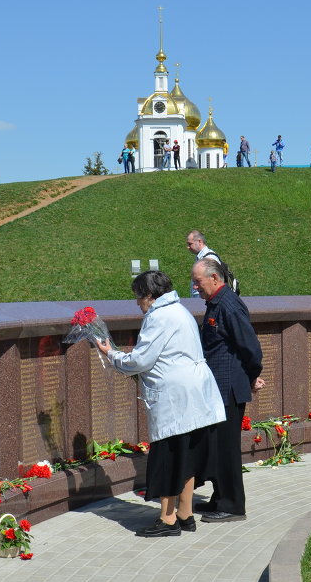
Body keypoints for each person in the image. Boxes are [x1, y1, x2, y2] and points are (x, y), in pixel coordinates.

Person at [97, 271, 224, 537]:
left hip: (174, 398)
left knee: (168, 458)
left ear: (150, 295)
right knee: (186, 457)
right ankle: (185, 514)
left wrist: (113, 355)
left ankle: (167, 520)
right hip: (194, 394)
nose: (137, 303)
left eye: (138, 297)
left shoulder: (158, 316)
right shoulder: (179, 310)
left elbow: (141, 360)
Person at [191, 257, 264, 521]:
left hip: (228, 390)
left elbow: (251, 349)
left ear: (214, 278)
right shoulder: (216, 303)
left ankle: (233, 506)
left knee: (227, 448)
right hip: (217, 389)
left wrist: (251, 377)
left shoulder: (229, 305)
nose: (195, 287)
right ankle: (219, 498)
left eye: (198, 282)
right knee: (216, 446)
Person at [186, 230, 220, 297]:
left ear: (199, 242)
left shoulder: (210, 258)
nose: (188, 247)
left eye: (190, 244)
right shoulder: (200, 257)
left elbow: (213, 284)